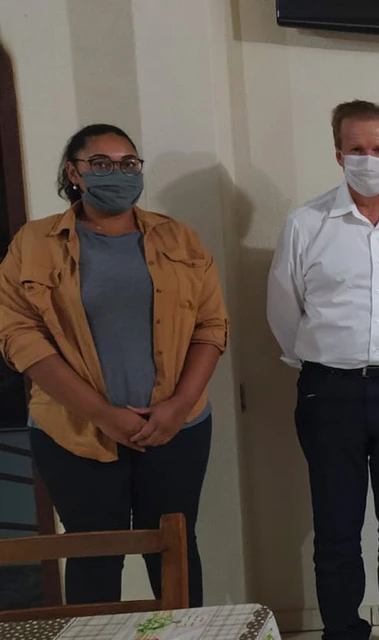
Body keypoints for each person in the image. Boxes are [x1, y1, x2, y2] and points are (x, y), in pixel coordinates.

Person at [0, 124, 228, 605]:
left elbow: (211, 326)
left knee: (175, 551)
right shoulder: (34, 242)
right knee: (95, 554)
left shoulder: (180, 239)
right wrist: (104, 415)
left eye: (128, 164)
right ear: (73, 173)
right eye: (101, 164)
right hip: (74, 431)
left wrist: (178, 405)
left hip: (176, 428)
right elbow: (19, 336)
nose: (118, 174)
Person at [267, 100, 379, 640]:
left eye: (378, 148)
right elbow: (284, 311)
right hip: (329, 393)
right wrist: (327, 361)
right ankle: (343, 631)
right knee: (337, 530)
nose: (368, 158)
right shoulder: (305, 224)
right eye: (356, 149)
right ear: (338, 153)